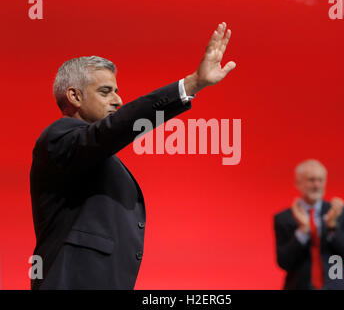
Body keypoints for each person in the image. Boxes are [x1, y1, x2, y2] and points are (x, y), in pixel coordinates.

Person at [29, 22, 236, 289]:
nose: (118, 100)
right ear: (74, 96)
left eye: (116, 90)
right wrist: (191, 84)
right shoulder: (59, 137)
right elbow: (117, 128)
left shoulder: (91, 153)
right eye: (105, 92)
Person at [273, 159, 344, 289]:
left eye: (320, 180)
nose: (316, 185)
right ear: (298, 183)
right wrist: (302, 231)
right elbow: (284, 262)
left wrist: (332, 227)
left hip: (338, 285)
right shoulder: (284, 218)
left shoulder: (340, 212)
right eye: (311, 180)